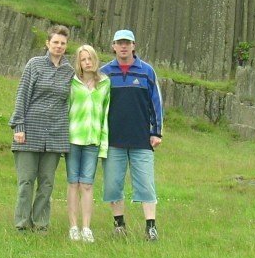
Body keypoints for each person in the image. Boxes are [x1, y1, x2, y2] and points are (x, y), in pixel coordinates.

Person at [9, 25, 73, 232]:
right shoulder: (34, 65)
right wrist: (19, 125)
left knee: (46, 183)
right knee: (26, 181)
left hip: (55, 136)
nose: (59, 46)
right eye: (55, 42)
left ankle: (41, 224)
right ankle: (21, 223)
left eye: (63, 43)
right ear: (47, 43)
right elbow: (22, 95)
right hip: (29, 133)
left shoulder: (69, 71)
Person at [101, 29, 163, 241]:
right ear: (114, 46)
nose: (124, 46)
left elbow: (156, 104)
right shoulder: (105, 73)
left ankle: (151, 228)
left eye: (127, 43)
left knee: (146, 183)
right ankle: (119, 225)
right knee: (112, 184)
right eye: (120, 43)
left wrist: (156, 132)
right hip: (113, 140)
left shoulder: (147, 71)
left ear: (134, 45)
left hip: (141, 139)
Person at [66, 45, 110, 243]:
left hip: (93, 140)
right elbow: (66, 109)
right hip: (74, 138)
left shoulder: (105, 84)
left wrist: (104, 142)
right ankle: (73, 227)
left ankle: (86, 228)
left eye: (90, 58)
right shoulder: (72, 83)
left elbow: (106, 114)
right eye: (83, 59)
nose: (87, 62)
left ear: (95, 59)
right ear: (79, 63)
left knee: (87, 184)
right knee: (73, 183)